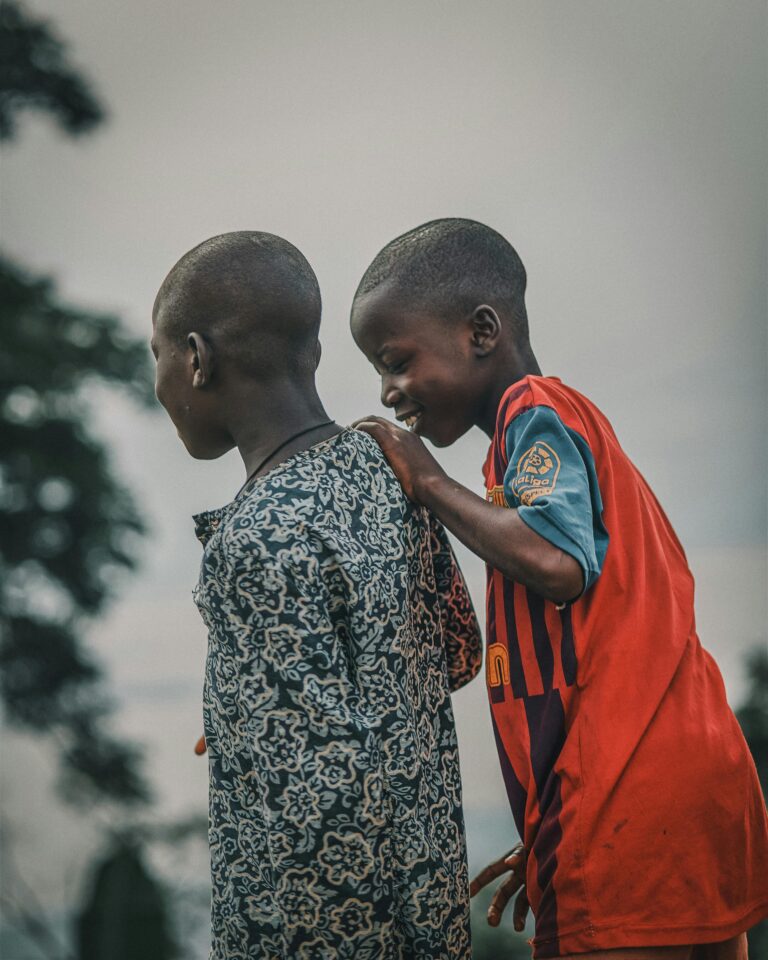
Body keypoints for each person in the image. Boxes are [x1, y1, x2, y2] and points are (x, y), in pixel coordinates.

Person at [350, 218, 768, 959]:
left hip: (625, 792)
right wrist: (551, 832)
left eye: (396, 361)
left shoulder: (533, 412)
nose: (389, 392)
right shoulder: (539, 449)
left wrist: (425, 480)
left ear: (482, 331)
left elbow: (556, 560)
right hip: (686, 784)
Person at [150, 231, 482, 959]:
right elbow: (458, 652)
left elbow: (316, 808)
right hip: (431, 908)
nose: (160, 384)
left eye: (159, 357)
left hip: (320, 935)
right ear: (316, 353)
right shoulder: (387, 465)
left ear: (198, 359)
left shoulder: (255, 539)